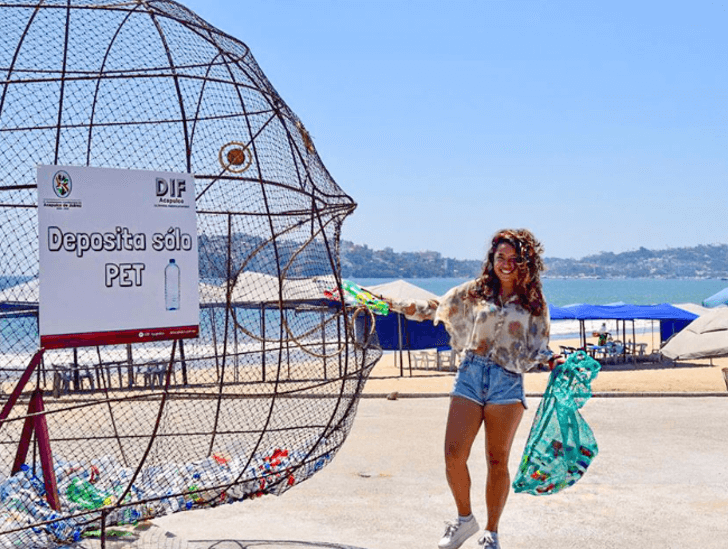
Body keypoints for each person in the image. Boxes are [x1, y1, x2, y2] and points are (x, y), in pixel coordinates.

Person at [388, 229, 564, 549]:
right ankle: (464, 519)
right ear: (492, 260)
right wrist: (391, 304)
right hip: (470, 374)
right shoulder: (476, 291)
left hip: (507, 381)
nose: (506, 264)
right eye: (500, 258)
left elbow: (539, 345)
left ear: (525, 262)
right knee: (454, 456)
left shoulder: (533, 301)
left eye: (513, 259)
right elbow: (436, 307)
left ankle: (491, 533)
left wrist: (554, 359)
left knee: (497, 460)